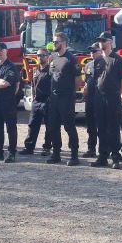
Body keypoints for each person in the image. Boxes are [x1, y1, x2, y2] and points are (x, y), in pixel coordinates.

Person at [46, 33, 82, 166]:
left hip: (66, 99)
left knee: (69, 126)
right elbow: (52, 76)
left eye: (56, 42)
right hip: (54, 98)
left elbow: (78, 80)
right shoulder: (53, 57)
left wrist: (70, 93)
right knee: (53, 126)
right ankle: (56, 153)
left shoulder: (71, 59)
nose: (54, 44)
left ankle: (74, 155)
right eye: (53, 41)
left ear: (64, 43)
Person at [93, 32, 122, 169]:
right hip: (99, 97)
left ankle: (115, 157)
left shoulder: (117, 59)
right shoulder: (97, 60)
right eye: (100, 41)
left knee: (113, 128)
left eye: (104, 41)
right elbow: (96, 79)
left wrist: (119, 94)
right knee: (101, 128)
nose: (101, 43)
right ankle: (102, 156)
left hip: (112, 97)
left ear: (110, 42)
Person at [20, 48, 53, 156]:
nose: (40, 57)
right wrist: (33, 96)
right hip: (37, 101)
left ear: (47, 57)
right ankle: (29, 147)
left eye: (42, 55)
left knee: (49, 126)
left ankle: (47, 148)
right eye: (38, 55)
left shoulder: (51, 70)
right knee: (32, 125)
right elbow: (33, 84)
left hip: (47, 101)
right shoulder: (35, 70)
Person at [81, 44, 101, 158]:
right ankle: (91, 149)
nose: (92, 53)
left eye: (94, 51)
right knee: (91, 126)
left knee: (103, 126)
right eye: (91, 51)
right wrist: (85, 88)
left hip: (101, 99)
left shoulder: (105, 63)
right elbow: (87, 80)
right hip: (90, 99)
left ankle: (104, 150)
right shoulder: (88, 65)